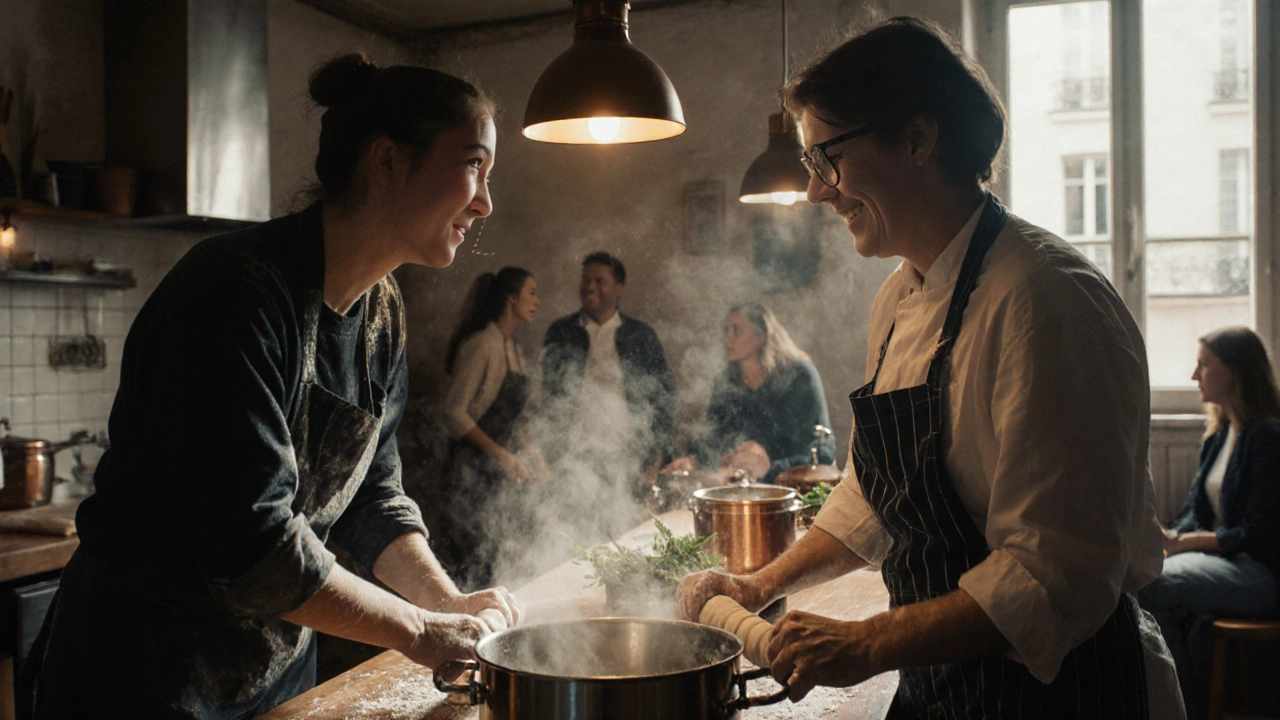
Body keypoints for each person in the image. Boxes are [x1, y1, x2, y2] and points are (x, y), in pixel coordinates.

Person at [676, 17, 1183, 719]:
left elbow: (1051, 577)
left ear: (917, 139)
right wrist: (757, 586)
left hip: (1052, 695)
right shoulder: (899, 297)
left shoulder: (1046, 302)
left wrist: (866, 643)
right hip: (940, 685)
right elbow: (871, 501)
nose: (819, 192)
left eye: (827, 158)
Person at [26, 54, 520, 719]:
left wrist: (445, 601)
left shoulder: (382, 312)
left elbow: (372, 494)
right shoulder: (236, 295)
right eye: (473, 166)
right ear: (387, 161)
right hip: (145, 678)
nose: (486, 201)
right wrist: (420, 633)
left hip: (270, 679)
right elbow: (254, 547)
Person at [1137, 327, 1280, 719]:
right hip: (1224, 565)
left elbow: (1260, 533)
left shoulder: (1267, 437)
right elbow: (1194, 512)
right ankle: (1186, 707)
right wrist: (1168, 536)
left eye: (1204, 364)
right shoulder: (1218, 436)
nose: (1194, 375)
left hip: (1260, 573)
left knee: (1153, 584)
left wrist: (1189, 542)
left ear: (1235, 371)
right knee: (1141, 579)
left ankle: (1183, 711)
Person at [539, 251, 675, 534]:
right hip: (573, 457)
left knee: (624, 534)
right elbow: (548, 397)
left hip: (628, 458)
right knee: (574, 537)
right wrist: (551, 454)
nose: (590, 287)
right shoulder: (561, 332)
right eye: (585, 280)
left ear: (618, 288)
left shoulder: (641, 335)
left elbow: (663, 398)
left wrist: (656, 457)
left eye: (600, 281)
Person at [432, 266, 547, 590]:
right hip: (469, 472)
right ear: (511, 299)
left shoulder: (513, 350)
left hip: (497, 475)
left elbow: (510, 418)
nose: (537, 301)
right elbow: (454, 412)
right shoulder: (482, 345)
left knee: (495, 559)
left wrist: (529, 450)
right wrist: (503, 455)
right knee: (470, 565)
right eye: (532, 293)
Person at [664, 302, 835, 483]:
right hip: (741, 489)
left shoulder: (799, 375)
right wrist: (693, 460)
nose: (727, 338)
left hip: (795, 489)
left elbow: (823, 451)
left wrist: (772, 466)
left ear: (761, 335)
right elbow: (713, 437)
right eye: (726, 330)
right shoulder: (727, 381)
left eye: (736, 330)